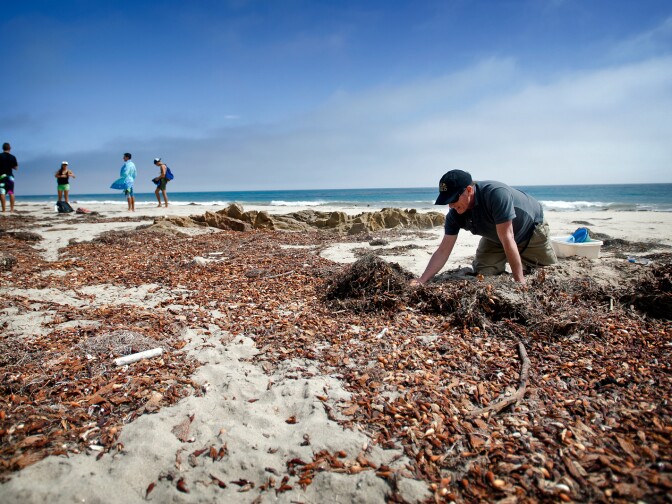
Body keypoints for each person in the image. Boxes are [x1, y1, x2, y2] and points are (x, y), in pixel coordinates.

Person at [414, 169, 557, 286]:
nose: (450, 205)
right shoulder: (455, 214)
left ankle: (523, 266)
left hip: (530, 231)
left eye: (453, 199)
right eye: (447, 201)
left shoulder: (496, 194)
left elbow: (508, 237)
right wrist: (421, 280)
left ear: (469, 190)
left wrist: (520, 283)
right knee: (484, 273)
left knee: (547, 273)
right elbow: (443, 251)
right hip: (495, 236)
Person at [0, 142, 18, 213]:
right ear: (9, 148)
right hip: (10, 176)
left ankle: (4, 210)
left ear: (3, 148)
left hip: (2, 176)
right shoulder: (13, 157)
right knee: (11, 192)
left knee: (2, 192)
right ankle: (11, 210)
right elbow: (16, 168)